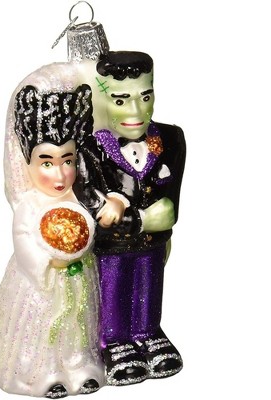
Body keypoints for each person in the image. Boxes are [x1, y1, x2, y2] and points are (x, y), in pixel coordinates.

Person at [75, 51, 186, 386]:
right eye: (121, 100)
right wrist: (140, 220)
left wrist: (162, 223)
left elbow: (171, 201)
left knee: (149, 281)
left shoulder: (171, 139)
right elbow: (92, 205)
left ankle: (148, 332)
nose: (136, 112)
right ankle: (114, 340)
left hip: (154, 243)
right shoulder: (87, 149)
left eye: (145, 97)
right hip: (110, 247)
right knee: (114, 284)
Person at [0, 83, 104, 398]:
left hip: (78, 277)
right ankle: (43, 371)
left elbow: (89, 225)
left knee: (77, 324)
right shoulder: (30, 205)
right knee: (44, 325)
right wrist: (45, 262)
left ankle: (80, 366)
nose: (60, 175)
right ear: (28, 164)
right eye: (47, 163)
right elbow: (23, 238)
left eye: (67, 161)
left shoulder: (78, 198)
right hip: (44, 282)